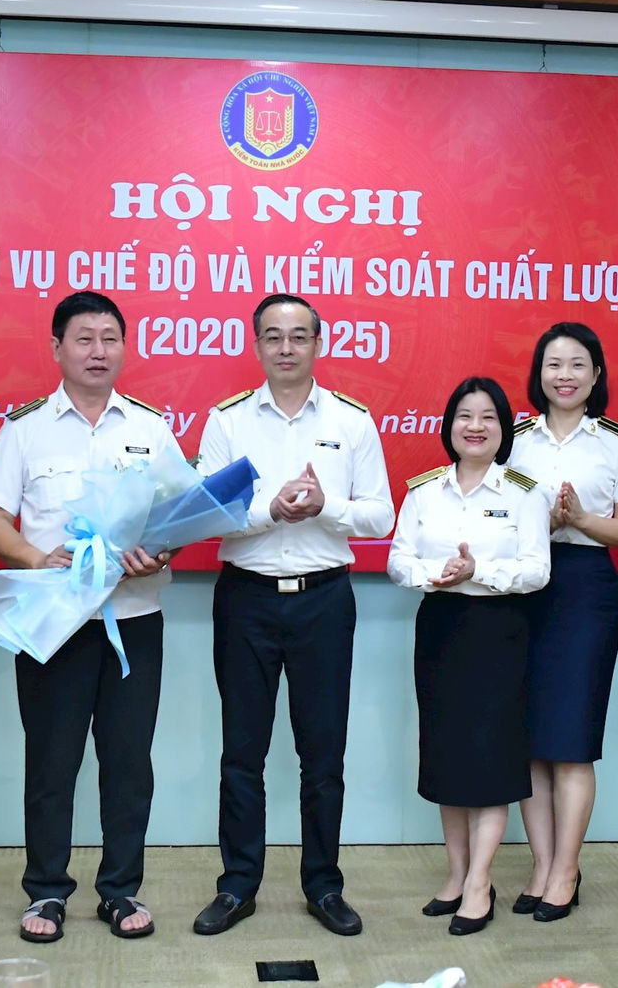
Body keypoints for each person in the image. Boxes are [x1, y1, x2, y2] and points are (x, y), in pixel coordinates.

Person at [0, 291, 183, 944]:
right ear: (57, 348)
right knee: (52, 762)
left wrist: (160, 552)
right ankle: (46, 891)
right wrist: (36, 557)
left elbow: (181, 515)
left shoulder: (150, 428)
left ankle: (120, 889)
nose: (99, 351)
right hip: (53, 623)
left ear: (124, 347)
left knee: (128, 763)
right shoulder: (25, 429)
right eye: (85, 338)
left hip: (133, 618)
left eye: (110, 338)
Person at [190, 293, 392, 939]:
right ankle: (237, 885)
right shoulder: (227, 422)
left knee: (323, 754)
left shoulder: (351, 421)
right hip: (245, 599)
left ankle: (324, 885)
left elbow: (380, 515)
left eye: (298, 336)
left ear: (317, 344)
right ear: (256, 345)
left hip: (323, 600)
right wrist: (269, 511)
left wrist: (326, 504)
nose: (286, 347)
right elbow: (204, 514)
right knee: (241, 753)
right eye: (273, 336)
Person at [388, 377, 550, 937]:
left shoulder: (524, 493)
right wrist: (434, 575)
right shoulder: (425, 491)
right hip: (441, 628)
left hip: (498, 631)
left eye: (487, 417)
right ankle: (456, 876)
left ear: (504, 429)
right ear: (449, 425)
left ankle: (481, 883)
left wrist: (480, 571)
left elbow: (537, 571)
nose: (475, 426)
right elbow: (397, 560)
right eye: (464, 415)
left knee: (490, 757)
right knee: (447, 755)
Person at [506, 322, 618, 923]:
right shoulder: (515, 439)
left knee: (571, 743)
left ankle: (567, 869)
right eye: (554, 365)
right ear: (539, 373)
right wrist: (540, 522)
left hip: (586, 591)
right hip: (522, 591)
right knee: (529, 742)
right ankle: (541, 866)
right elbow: (495, 514)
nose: (564, 376)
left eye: (577, 365)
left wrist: (582, 519)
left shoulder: (616, 442)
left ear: (595, 375)